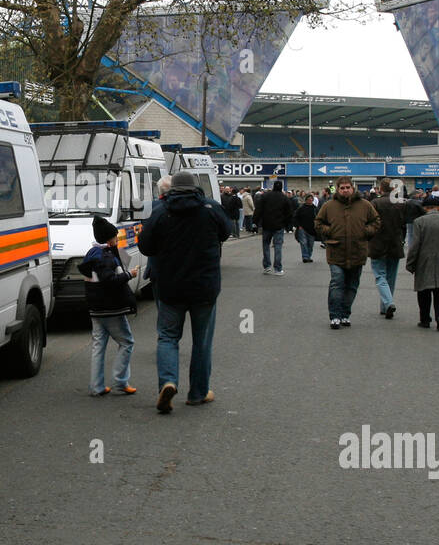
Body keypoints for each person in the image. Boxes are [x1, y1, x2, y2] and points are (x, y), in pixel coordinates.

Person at [137, 170, 231, 412]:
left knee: (168, 337)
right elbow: (226, 232)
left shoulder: (159, 212)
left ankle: (168, 382)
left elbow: (145, 247)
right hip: (204, 288)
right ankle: (198, 393)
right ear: (195, 187)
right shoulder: (210, 208)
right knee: (202, 341)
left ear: (171, 190)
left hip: (170, 287)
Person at [79, 216, 139, 396]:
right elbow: (110, 280)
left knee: (98, 346)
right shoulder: (105, 257)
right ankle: (120, 381)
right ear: (108, 238)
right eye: (114, 236)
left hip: (95, 307)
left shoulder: (91, 253)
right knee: (127, 342)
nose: (117, 239)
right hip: (111, 307)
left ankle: (96, 386)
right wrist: (130, 274)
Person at [313, 176, 381, 329]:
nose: (345, 190)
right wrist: (329, 231)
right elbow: (318, 222)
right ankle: (335, 316)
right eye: (342, 188)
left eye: (347, 187)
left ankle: (345, 314)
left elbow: (376, 221)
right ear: (337, 189)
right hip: (336, 251)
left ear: (353, 188)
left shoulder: (365, 205)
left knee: (352, 285)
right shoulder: (329, 206)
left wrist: (365, 231)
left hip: (358, 251)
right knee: (337, 283)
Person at [406, 195, 439, 330]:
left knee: (423, 291)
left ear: (425, 208)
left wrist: (410, 263)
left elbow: (415, 245)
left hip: (424, 261)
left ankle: (425, 319)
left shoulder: (419, 221)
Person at [369, 178, 406, 318]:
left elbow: (370, 222)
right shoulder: (400, 203)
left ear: (381, 188)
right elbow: (403, 223)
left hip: (378, 243)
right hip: (395, 243)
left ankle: (388, 303)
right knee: (391, 277)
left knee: (380, 276)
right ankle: (385, 306)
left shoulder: (375, 203)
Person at [254, 180, 293, 276]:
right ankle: (278, 268)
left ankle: (267, 266)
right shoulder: (284, 198)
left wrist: (255, 221)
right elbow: (289, 213)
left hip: (267, 224)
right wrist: (287, 225)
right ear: (281, 187)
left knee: (266, 245)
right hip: (279, 225)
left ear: (273, 186)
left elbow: (258, 209)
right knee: (278, 246)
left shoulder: (265, 196)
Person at [294, 192, 319, 263]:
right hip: (302, 229)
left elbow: (319, 218)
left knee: (310, 244)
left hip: (312, 229)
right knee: (303, 243)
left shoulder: (315, 209)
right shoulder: (301, 208)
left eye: (311, 199)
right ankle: (305, 257)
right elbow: (295, 217)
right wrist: (298, 226)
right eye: (308, 199)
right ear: (306, 200)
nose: (310, 200)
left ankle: (309, 256)